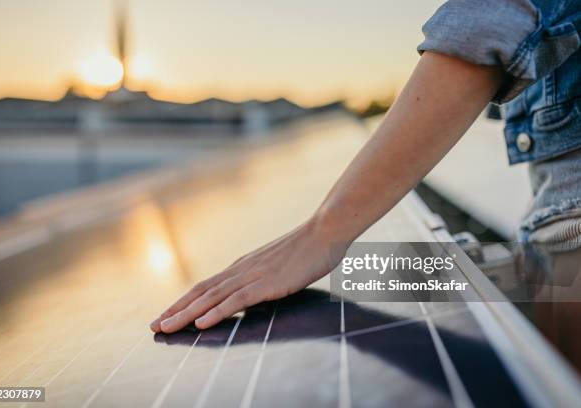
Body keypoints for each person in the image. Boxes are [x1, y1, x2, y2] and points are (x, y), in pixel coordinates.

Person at [151, 0, 581, 334]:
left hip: (569, 243)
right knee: (357, 277)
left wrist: (324, 232)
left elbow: (489, 21)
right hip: (546, 243)